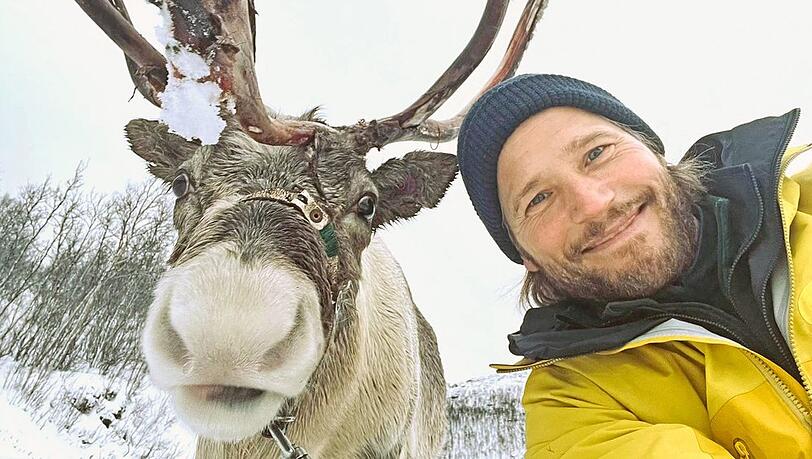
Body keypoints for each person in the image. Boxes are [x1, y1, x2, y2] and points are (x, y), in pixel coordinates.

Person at [456, 74, 812, 458]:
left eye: (596, 153)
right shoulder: (574, 406)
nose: (593, 203)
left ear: (651, 148)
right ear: (526, 256)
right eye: (538, 199)